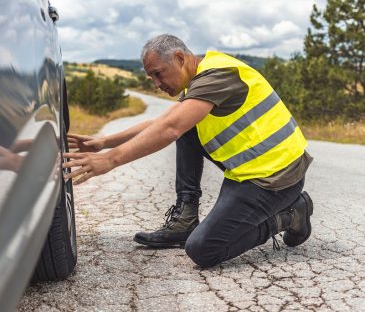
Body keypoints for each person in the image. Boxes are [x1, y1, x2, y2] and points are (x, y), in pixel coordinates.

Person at [64, 34, 314, 268]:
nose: (156, 84)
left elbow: (170, 128)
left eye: (158, 74)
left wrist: (110, 160)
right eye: (152, 78)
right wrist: (104, 142)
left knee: (203, 249)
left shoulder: (218, 75)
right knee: (186, 126)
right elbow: (162, 123)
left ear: (180, 58)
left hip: (277, 178)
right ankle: (185, 218)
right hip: (248, 173)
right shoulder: (198, 80)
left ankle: (291, 214)